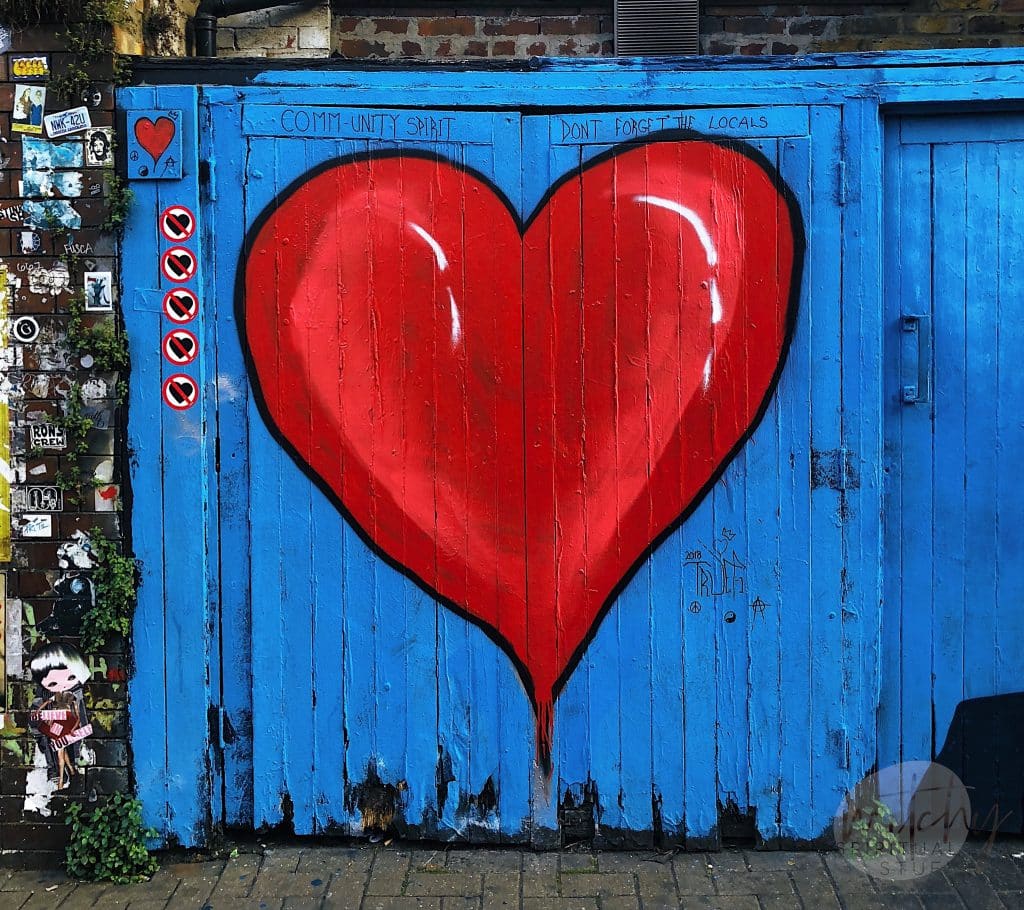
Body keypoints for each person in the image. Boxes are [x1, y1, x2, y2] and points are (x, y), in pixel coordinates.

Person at [28, 643, 93, 790]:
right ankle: (64, 773)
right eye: (52, 682)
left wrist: (76, 729)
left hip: (66, 729)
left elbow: (79, 716)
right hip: (55, 730)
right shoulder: (45, 698)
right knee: (58, 752)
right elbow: (37, 720)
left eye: (71, 677)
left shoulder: (74, 696)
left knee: (63, 752)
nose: (63, 685)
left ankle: (67, 772)